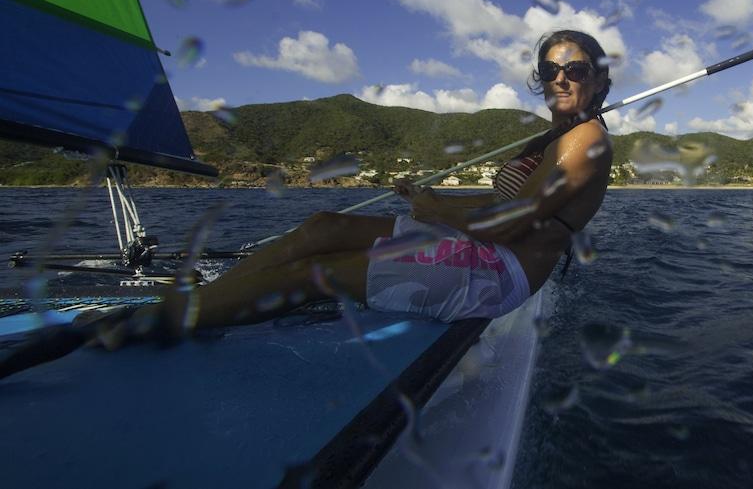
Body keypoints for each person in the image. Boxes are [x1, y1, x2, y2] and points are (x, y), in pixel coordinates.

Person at [41, 30, 612, 351]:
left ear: (599, 79)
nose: (561, 77)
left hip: (495, 272)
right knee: (322, 228)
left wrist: (435, 208)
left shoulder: (585, 142)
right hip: (477, 244)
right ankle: (209, 300)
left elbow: (510, 225)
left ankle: (162, 322)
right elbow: (497, 207)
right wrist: (430, 206)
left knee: (319, 272)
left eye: (576, 68)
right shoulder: (557, 136)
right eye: (551, 68)